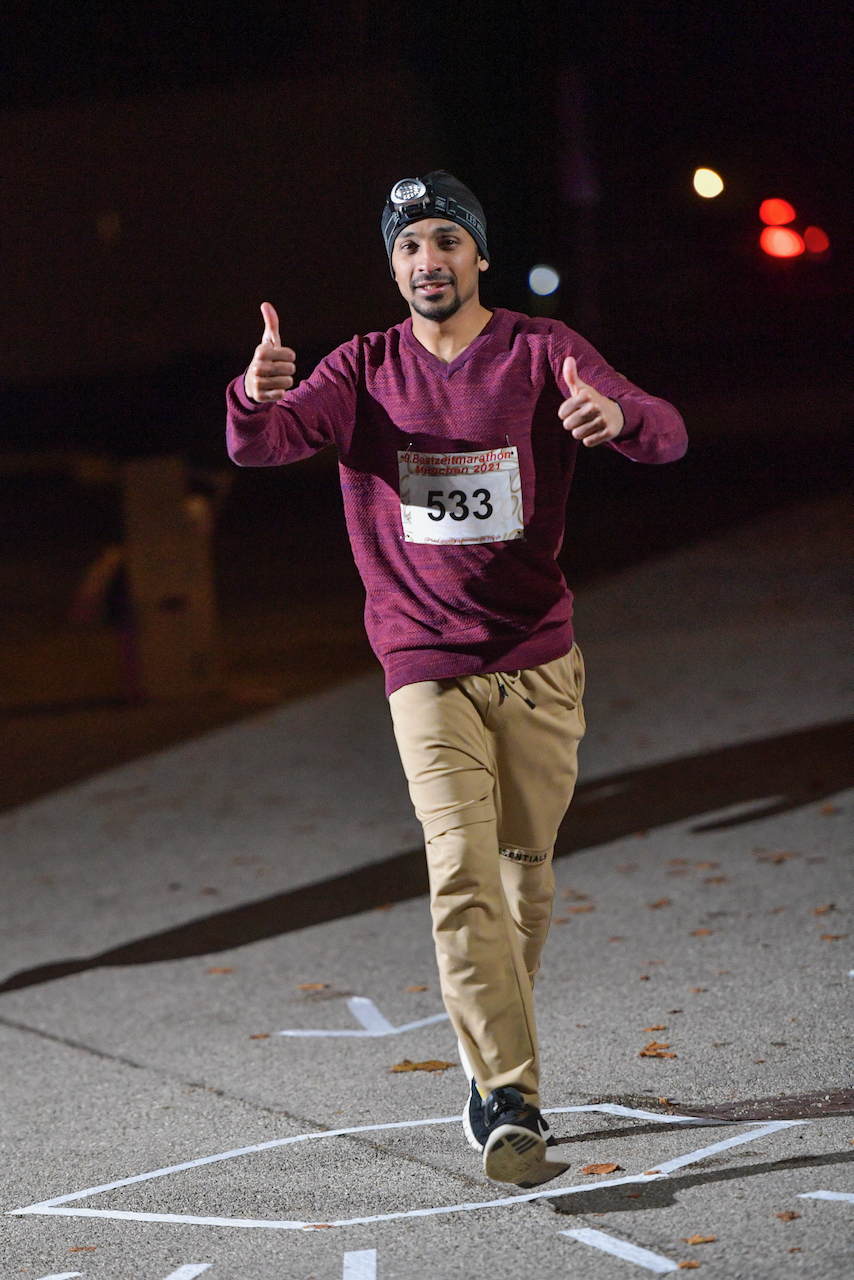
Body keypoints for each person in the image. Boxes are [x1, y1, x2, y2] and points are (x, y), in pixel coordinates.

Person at [226, 170, 687, 1188]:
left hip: (536, 658)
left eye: (444, 241)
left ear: (476, 254)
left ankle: (489, 1064)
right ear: (390, 267)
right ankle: (508, 1095)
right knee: (461, 871)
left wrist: (615, 417)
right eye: (406, 247)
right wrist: (253, 394)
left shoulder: (538, 350)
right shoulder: (360, 368)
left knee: (523, 876)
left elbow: (664, 428)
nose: (426, 262)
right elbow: (263, 441)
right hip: (421, 661)